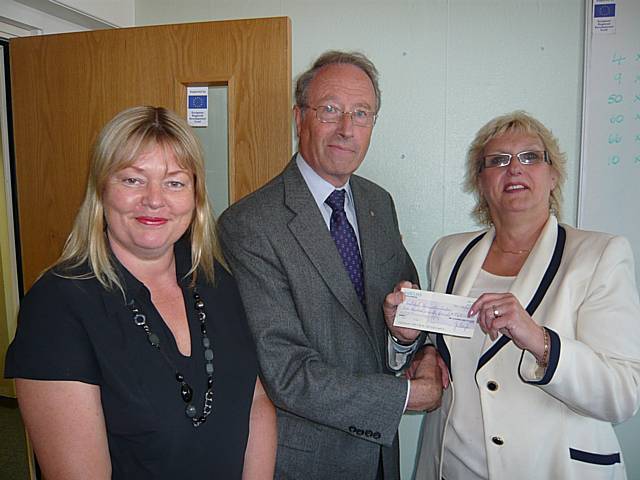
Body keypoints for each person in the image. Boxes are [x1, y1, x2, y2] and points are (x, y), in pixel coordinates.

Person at [5, 106, 276, 479]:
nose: (154, 199)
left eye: (175, 182)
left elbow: (255, 402)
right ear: (101, 190)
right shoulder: (56, 308)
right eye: (132, 180)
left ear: (195, 197)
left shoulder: (215, 279)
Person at [218, 50, 443, 480]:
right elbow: (286, 373)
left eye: (362, 113)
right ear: (299, 117)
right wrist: (406, 396)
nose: (346, 129)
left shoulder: (379, 203)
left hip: (380, 458)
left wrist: (409, 341)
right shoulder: (249, 225)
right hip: (305, 463)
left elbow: (405, 307)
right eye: (330, 110)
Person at [384, 111, 640, 480]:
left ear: (553, 176)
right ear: (481, 182)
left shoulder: (599, 255)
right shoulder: (448, 254)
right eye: (498, 160)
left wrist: (539, 341)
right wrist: (407, 339)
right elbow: (440, 352)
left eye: (531, 157)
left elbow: (622, 394)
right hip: (455, 467)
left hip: (553, 469)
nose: (515, 169)